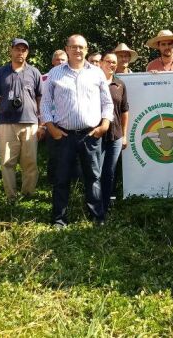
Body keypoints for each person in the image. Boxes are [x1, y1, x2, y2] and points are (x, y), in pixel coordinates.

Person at [41, 34, 114, 227]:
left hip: (91, 135)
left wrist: (104, 125)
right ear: (66, 49)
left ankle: (97, 217)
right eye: (73, 47)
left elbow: (107, 102)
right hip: (63, 135)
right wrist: (51, 128)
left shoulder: (97, 73)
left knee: (93, 177)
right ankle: (59, 220)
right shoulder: (55, 73)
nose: (77, 51)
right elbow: (46, 103)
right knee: (61, 178)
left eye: (81, 47)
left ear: (87, 49)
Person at [0, 38, 44, 200]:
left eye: (24, 50)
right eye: (17, 49)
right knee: (7, 162)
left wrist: (42, 124)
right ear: (11, 50)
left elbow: (41, 100)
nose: (20, 53)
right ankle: (11, 197)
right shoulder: (0, 73)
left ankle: (27, 194)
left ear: (27, 53)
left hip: (30, 123)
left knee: (30, 162)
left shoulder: (34, 72)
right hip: (6, 123)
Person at [99, 52, 129, 214]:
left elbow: (125, 111)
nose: (111, 65)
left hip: (116, 136)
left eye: (114, 63)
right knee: (95, 171)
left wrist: (124, 135)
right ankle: (93, 204)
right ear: (101, 63)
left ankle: (104, 205)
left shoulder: (120, 84)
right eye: (108, 61)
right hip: (96, 135)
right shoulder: (93, 83)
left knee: (109, 173)